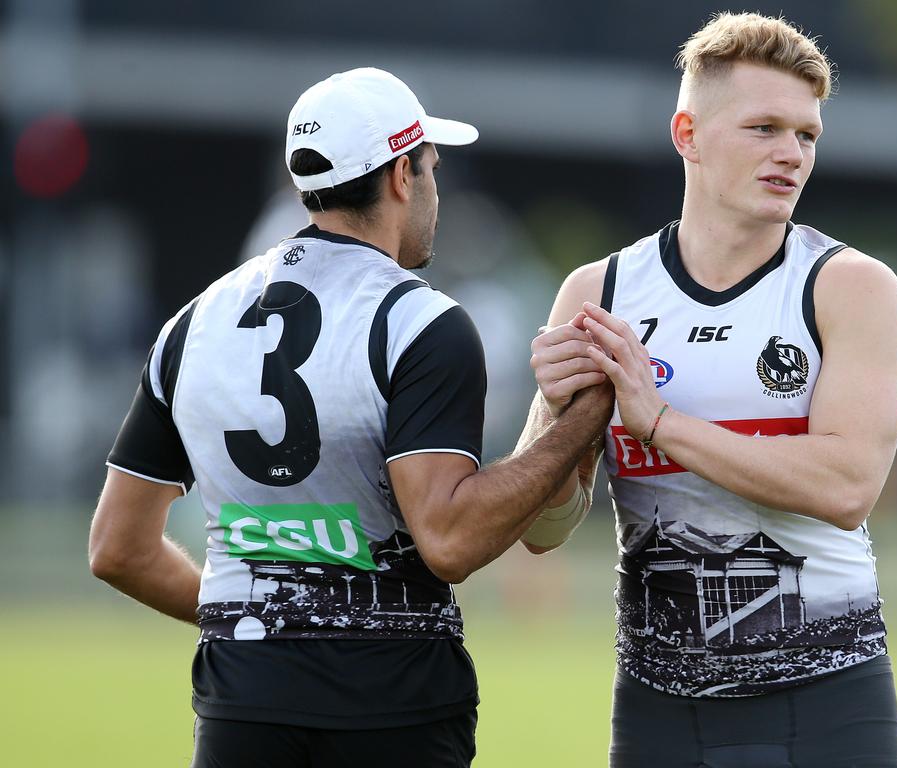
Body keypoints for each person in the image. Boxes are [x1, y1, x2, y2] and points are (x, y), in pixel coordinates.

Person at [89, 67, 612, 768]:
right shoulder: (422, 321)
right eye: (431, 165)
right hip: (395, 707)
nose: (435, 187)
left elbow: (117, 549)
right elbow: (450, 541)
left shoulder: (193, 322)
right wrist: (583, 420)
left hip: (239, 705)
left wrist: (257, 616)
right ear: (402, 176)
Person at [519, 13, 897, 767]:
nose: (791, 155)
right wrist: (552, 417)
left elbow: (846, 487)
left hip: (830, 701)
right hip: (659, 714)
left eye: (807, 135)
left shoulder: (850, 286)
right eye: (763, 128)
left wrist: (660, 421)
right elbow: (544, 530)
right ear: (687, 134)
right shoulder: (599, 292)